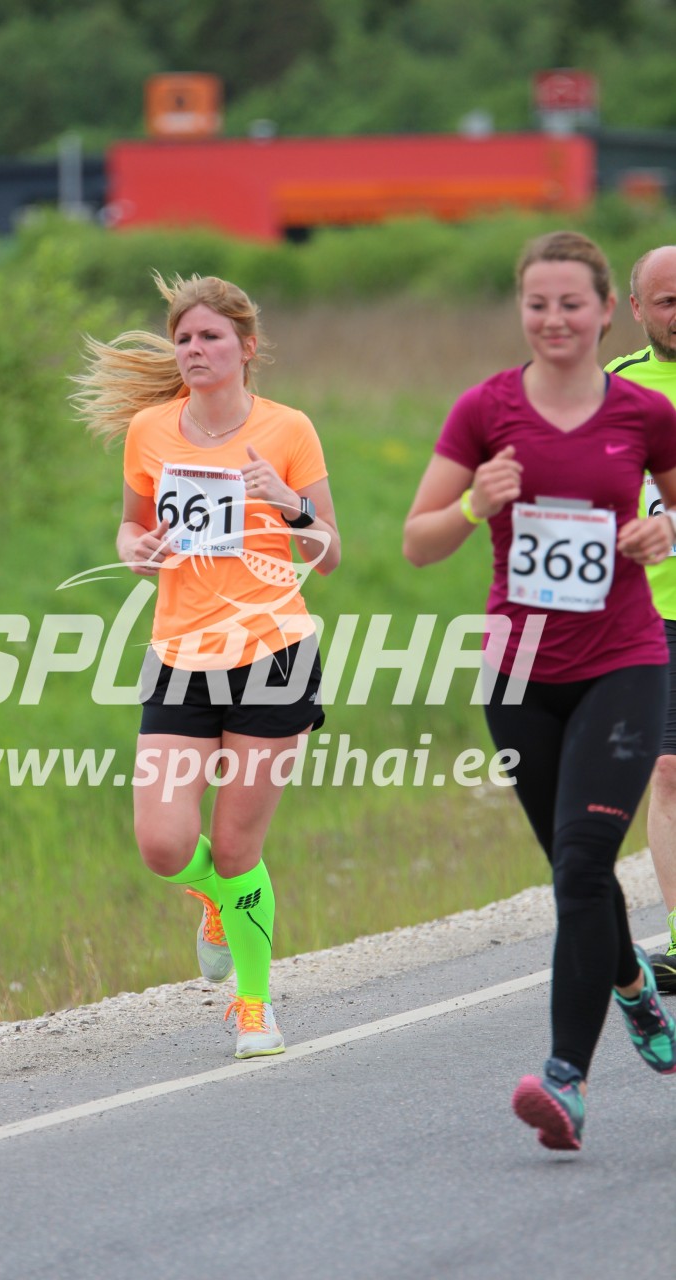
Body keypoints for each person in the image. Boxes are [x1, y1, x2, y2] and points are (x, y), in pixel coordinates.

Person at [403, 230, 676, 1152]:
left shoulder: (643, 413)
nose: (553, 319)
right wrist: (474, 503)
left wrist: (663, 530)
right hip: (518, 673)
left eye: (569, 303)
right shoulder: (484, 411)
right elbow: (417, 540)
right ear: (522, 312)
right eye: (536, 304)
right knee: (576, 872)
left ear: (604, 312)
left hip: (624, 661)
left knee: (582, 863)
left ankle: (565, 1079)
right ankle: (631, 984)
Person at [74, 273, 340, 1059]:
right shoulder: (150, 430)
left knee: (235, 849)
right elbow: (129, 529)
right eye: (184, 338)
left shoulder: (288, 428)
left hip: (271, 655)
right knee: (163, 844)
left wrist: (286, 502)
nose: (194, 349)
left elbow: (327, 552)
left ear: (245, 348)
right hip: (180, 656)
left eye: (210, 337)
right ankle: (218, 903)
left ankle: (253, 1007)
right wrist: (138, 551)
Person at [605, 246, 676, 992]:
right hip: (657, 612)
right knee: (668, 769)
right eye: (667, 302)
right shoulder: (616, 389)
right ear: (636, 309)